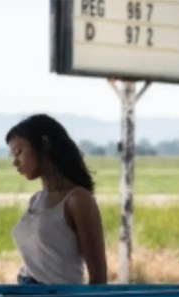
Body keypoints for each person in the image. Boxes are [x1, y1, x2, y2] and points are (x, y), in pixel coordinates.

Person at [6, 114, 107, 284]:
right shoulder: (35, 200)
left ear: (45, 144)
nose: (15, 162)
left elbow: (98, 277)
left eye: (19, 152)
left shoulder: (78, 200)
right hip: (26, 292)